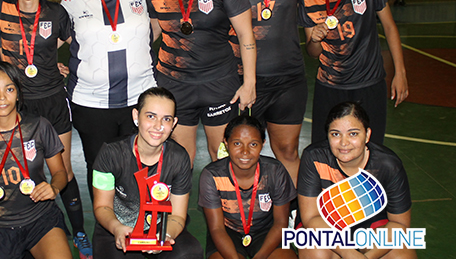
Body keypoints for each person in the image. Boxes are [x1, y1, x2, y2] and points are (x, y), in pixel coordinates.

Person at [0, 0, 92, 258]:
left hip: (54, 101)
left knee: (65, 172)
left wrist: (63, 66)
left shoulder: (57, 14)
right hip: (17, 106)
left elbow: (76, 46)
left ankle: (79, 232)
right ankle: (30, 231)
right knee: (23, 171)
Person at [146, 0, 257, 163]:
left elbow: (245, 34)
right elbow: (151, 35)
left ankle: (227, 203)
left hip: (218, 84)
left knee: (223, 157)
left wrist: (249, 83)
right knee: (180, 160)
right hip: (174, 86)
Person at [61, 0, 157, 198]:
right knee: (100, 169)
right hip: (92, 103)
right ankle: (106, 232)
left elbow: (157, 29)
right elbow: (57, 37)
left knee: (140, 166)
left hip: (140, 98)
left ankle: (140, 228)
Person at [299, 0, 408, 146]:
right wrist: (315, 39)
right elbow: (312, 52)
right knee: (325, 152)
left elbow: (389, 27)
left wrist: (400, 72)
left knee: (371, 149)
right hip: (329, 86)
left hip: (369, 83)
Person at [0, 62, 72, 259]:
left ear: (18, 94)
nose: (2, 97)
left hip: (40, 219)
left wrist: (53, 188)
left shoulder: (39, 126)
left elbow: (60, 173)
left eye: (9, 89)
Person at [227, 0, 307, 186]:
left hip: (288, 81)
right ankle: (244, 216)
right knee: (242, 156)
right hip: (244, 83)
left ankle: (296, 213)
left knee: (287, 151)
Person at [92, 87, 203, 259]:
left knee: (189, 253)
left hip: (161, 227)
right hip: (117, 227)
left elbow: (178, 216)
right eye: (151, 116)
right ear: (136, 116)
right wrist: (116, 228)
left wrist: (166, 235)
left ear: (173, 123)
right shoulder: (110, 153)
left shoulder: (179, 158)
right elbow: (102, 206)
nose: (158, 126)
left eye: (166, 119)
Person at [297, 101, 415, 259]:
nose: (344, 143)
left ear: (367, 135)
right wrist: (348, 253)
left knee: (402, 254)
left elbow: (400, 225)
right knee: (315, 251)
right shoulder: (314, 157)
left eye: (353, 134)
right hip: (326, 224)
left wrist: (366, 257)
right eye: (335, 134)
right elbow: (311, 218)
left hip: (371, 225)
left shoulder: (388, 165)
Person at [199, 115, 296, 259]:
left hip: (267, 233)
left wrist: (260, 256)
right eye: (237, 143)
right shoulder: (212, 175)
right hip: (228, 233)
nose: (245, 152)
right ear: (226, 143)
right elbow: (217, 228)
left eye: (253, 144)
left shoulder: (275, 171)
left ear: (263, 144)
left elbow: (280, 223)